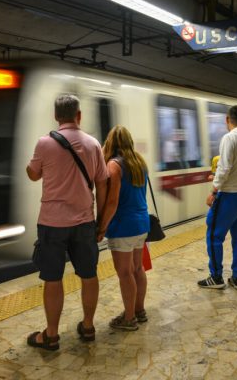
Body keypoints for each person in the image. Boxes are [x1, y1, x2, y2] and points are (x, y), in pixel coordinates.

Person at [25, 95, 108, 350]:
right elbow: (102, 183)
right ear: (79, 115)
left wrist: (36, 167)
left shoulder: (44, 143)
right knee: (89, 274)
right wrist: (101, 222)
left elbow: (33, 175)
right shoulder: (94, 144)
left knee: (53, 278)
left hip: (52, 224)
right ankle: (88, 326)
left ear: (56, 117)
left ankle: (50, 335)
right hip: (84, 221)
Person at [97, 125, 150, 331]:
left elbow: (112, 202)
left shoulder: (114, 166)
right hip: (141, 223)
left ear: (110, 142)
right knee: (137, 268)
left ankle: (129, 318)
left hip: (123, 226)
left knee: (124, 273)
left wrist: (102, 227)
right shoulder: (139, 163)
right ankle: (139, 310)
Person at [198, 105, 237, 290]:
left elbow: (224, 168)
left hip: (230, 194)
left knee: (214, 235)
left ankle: (216, 277)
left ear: (227, 119)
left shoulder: (229, 138)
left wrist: (214, 191)